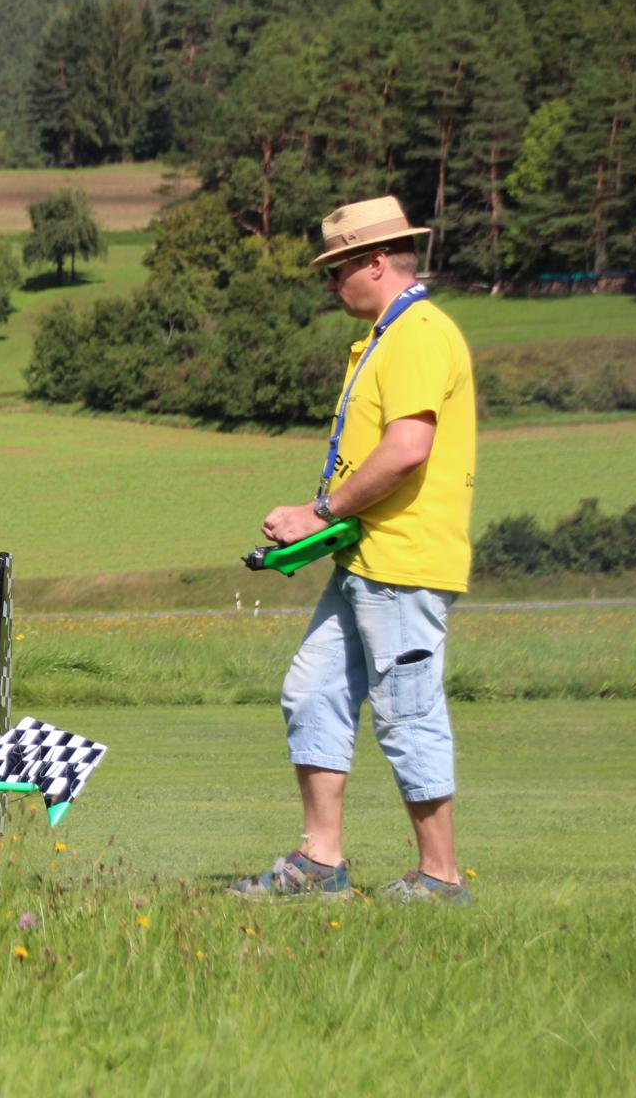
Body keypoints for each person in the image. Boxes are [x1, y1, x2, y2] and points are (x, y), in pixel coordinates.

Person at [233, 195, 476, 905]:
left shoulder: (418, 334)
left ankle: (440, 877)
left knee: (407, 713)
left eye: (335, 270)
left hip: (403, 561)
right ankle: (320, 861)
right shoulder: (384, 337)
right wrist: (326, 530)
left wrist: (317, 513)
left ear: (374, 262)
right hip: (364, 557)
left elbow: (407, 450)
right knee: (311, 691)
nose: (331, 284)